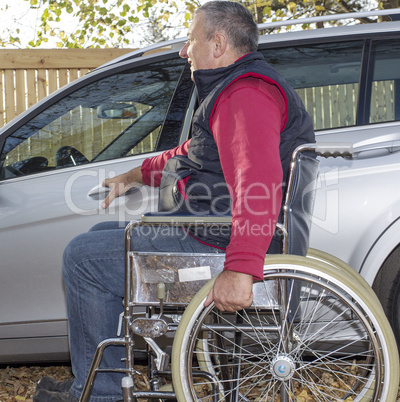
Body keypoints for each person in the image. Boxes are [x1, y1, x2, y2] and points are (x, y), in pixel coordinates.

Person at [33, 1, 314, 401]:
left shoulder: (245, 95)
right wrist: (132, 176)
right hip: (209, 228)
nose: (185, 51)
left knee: (83, 256)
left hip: (215, 242)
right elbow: (191, 155)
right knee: (100, 236)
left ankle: (102, 393)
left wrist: (241, 269)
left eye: (189, 39)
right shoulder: (235, 91)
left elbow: (258, 183)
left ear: (217, 44)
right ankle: (101, 381)